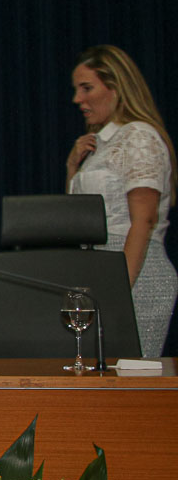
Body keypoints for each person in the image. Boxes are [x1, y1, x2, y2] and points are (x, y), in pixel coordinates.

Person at [65, 45, 177, 355]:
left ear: (117, 87)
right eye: (76, 89)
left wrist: (116, 293)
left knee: (128, 381)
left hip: (133, 274)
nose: (77, 99)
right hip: (97, 274)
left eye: (86, 88)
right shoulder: (98, 146)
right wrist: (72, 169)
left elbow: (144, 220)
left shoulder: (138, 136)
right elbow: (75, 220)